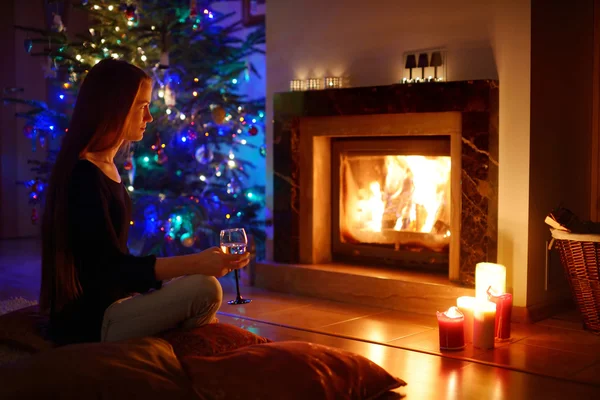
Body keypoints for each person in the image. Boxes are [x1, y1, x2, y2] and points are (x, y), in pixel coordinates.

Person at [39, 59, 250, 345]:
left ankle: (178, 349)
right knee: (206, 289)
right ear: (115, 107)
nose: (149, 117)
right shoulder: (83, 175)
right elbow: (109, 267)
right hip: (93, 319)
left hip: (116, 301)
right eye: (141, 106)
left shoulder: (106, 167)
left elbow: (113, 262)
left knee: (193, 288)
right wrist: (196, 263)